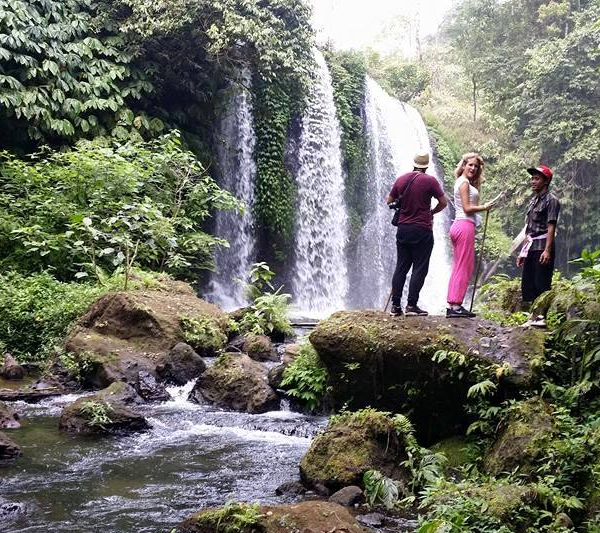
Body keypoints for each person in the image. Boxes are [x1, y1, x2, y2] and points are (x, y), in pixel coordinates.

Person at [386, 151, 447, 316]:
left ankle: (396, 306)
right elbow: (443, 202)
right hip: (422, 229)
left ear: (414, 163)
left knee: (401, 267)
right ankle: (412, 305)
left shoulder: (401, 179)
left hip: (403, 229)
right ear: (426, 165)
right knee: (419, 268)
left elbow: (388, 200)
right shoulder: (430, 181)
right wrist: (432, 212)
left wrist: (402, 203)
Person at [446, 153, 495, 318]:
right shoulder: (464, 183)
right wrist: (484, 207)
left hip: (459, 225)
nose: (473, 168)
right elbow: (467, 208)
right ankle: (456, 306)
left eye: (476, 166)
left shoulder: (461, 181)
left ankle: (453, 304)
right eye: (470, 165)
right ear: (464, 165)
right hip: (464, 225)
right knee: (465, 266)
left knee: (459, 265)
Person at [517, 164, 560, 327]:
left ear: (546, 181)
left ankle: (541, 317)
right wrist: (523, 252)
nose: (533, 181)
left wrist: (547, 250)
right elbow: (529, 229)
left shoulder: (552, 201)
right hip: (531, 246)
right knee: (528, 282)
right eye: (532, 178)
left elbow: (551, 226)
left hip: (543, 246)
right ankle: (533, 316)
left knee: (541, 282)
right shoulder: (533, 201)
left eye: (537, 178)